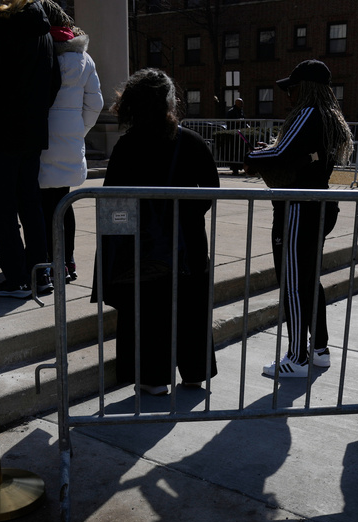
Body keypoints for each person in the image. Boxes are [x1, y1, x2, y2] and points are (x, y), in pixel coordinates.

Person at [94, 68, 219, 395]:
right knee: (192, 310)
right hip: (188, 244)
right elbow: (210, 191)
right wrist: (185, 217)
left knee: (148, 313)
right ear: (169, 101)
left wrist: (122, 244)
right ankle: (194, 374)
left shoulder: (126, 147)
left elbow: (112, 204)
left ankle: (152, 380)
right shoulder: (190, 142)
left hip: (141, 247)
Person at [244, 59, 353, 378]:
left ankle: (297, 357)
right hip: (318, 206)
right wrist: (275, 152)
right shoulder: (331, 118)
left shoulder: (308, 113)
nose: (288, 95)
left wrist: (253, 155)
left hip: (297, 209)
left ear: (305, 88)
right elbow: (293, 154)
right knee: (307, 279)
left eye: (292, 88)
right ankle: (318, 349)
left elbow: (280, 155)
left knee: (292, 282)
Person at [0, 0, 60, 298]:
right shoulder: (42, 30)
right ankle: (40, 273)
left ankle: (18, 278)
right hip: (31, 130)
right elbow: (54, 81)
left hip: (1, 132)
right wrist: (33, 113)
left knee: (3, 207)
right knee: (30, 203)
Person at [37, 1, 103, 287]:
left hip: (39, 138)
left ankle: (49, 262)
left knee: (41, 204)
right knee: (64, 201)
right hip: (70, 138)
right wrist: (79, 129)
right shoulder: (83, 58)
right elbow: (96, 103)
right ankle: (68, 260)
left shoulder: (39, 51)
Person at [225, 97, 245, 175]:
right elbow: (229, 123)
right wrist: (236, 123)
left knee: (240, 151)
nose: (242, 105)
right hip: (233, 134)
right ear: (236, 103)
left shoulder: (241, 111)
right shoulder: (231, 112)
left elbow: (244, 120)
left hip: (240, 133)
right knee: (234, 151)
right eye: (240, 104)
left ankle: (239, 167)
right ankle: (235, 169)